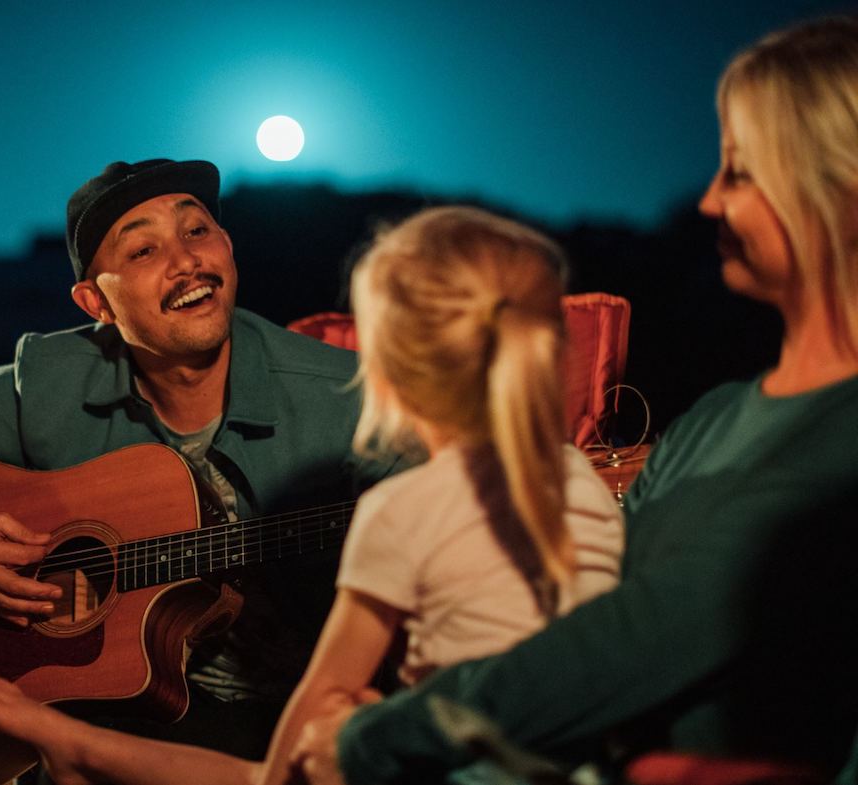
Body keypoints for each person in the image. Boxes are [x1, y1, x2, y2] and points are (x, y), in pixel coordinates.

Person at [290, 16, 858, 785]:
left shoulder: (839, 433)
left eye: (741, 172)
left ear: (835, 188)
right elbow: (587, 610)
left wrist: (373, 736)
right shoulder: (716, 417)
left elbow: (636, 637)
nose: (709, 201)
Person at [0, 206, 626, 785]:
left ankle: (77, 746)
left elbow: (280, 768)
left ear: (386, 374)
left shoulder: (401, 511)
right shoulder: (578, 479)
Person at [0, 158, 398, 760]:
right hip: (118, 707)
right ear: (95, 302)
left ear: (227, 248)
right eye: (143, 252)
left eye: (197, 232)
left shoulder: (353, 398)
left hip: (287, 714)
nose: (186, 263)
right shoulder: (51, 382)